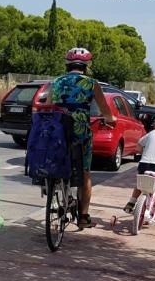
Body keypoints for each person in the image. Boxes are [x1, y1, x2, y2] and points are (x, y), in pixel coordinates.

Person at [45, 47, 117, 228]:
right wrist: (111, 119)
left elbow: (48, 106)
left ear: (67, 65)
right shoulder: (92, 83)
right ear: (86, 66)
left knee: (57, 162)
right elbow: (105, 110)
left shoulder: (56, 82)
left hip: (58, 131)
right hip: (80, 132)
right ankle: (83, 217)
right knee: (85, 173)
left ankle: (56, 187)